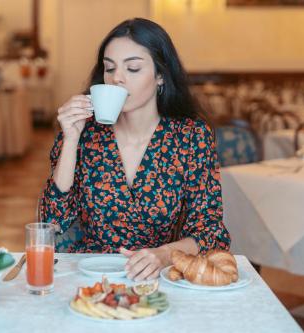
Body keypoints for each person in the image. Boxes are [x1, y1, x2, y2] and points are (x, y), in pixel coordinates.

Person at [40, 18, 230, 281]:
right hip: (92, 278)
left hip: (160, 279)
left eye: (132, 68)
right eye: (109, 68)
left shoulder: (191, 137)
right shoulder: (85, 133)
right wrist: (71, 139)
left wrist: (163, 254)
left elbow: (210, 230)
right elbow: (53, 224)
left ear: (161, 76)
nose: (116, 78)